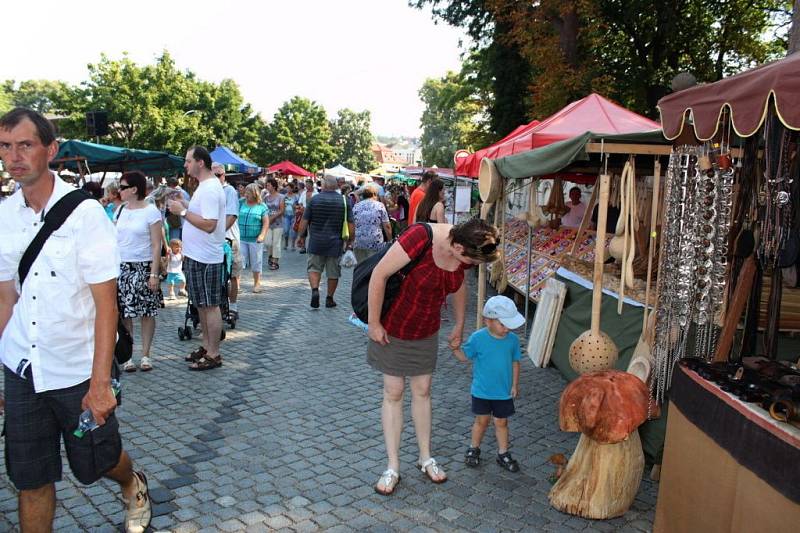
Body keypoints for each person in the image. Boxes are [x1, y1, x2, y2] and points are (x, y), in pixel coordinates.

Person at [0, 108, 151, 533]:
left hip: (77, 369)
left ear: (50, 150)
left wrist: (100, 384)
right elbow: (5, 299)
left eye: (25, 145)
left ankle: (131, 481)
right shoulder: (4, 216)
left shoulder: (86, 215)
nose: (14, 156)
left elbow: (107, 305)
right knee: (30, 480)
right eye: (6, 147)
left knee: (99, 461)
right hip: (24, 368)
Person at [366, 218, 500, 495]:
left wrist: (460, 323)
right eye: (472, 261)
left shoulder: (464, 254)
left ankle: (425, 457)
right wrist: (374, 323)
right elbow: (379, 275)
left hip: (426, 329)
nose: (472, 266)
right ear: (457, 245)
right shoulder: (421, 237)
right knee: (393, 391)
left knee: (423, 390)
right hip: (394, 326)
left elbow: (459, 285)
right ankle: (392, 466)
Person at [167, 146, 226, 371]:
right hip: (196, 255)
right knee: (201, 304)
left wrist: (181, 212)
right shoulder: (205, 186)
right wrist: (184, 206)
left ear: (200, 162)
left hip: (206, 257)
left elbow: (209, 224)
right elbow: (201, 216)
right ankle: (206, 347)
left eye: (188, 161)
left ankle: (214, 353)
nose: (185, 165)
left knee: (210, 306)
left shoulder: (211, 188)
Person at [453, 295, 524, 473]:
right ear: (488, 321)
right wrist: (455, 349)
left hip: (503, 392)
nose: (507, 328)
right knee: (481, 421)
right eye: (503, 324)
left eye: (509, 324)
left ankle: (503, 453)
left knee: (502, 423)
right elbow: (464, 357)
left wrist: (515, 384)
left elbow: (515, 362)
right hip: (482, 391)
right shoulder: (478, 338)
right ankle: (474, 448)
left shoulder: (513, 340)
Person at [114, 171, 163, 372]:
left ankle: (145, 354)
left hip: (143, 266)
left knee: (146, 312)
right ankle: (127, 355)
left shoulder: (151, 211)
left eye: (123, 187)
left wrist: (153, 273)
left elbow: (156, 244)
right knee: (126, 313)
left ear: (134, 189)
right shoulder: (120, 210)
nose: (119, 190)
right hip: (122, 267)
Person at [296, 174, 354, 309]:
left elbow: (304, 221)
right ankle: (329, 298)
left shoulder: (314, 200)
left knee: (314, 268)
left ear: (323, 185)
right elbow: (351, 224)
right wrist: (350, 241)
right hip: (335, 243)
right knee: (333, 272)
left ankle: (315, 291)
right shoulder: (344, 201)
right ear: (336, 186)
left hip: (316, 242)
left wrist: (300, 237)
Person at [212, 163, 242, 319]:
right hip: (212, 241)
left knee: (233, 275)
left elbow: (232, 216)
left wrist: (217, 232)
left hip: (229, 239)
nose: (217, 178)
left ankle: (233, 305)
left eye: (220, 175)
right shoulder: (208, 191)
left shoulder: (228, 191)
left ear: (224, 175)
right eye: (214, 175)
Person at [238, 183, 269, 292]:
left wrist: (262, 235)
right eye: (246, 191)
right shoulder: (240, 202)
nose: (246, 194)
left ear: (255, 193)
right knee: (239, 261)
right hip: (241, 238)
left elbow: (266, 223)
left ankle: (257, 283)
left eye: (249, 192)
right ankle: (236, 284)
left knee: (256, 262)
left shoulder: (262, 206)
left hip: (255, 239)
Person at [353, 184, 392, 263]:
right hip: (375, 242)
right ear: (374, 195)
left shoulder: (356, 206)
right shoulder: (380, 206)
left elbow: (353, 224)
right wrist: (390, 240)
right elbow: (387, 226)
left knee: (360, 268)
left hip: (359, 242)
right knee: (373, 267)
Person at [262, 177, 285, 270]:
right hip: (267, 223)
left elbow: (281, 210)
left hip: (278, 223)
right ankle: (270, 255)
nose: (267, 187)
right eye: (266, 185)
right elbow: (263, 209)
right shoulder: (265, 197)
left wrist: (272, 217)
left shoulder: (281, 197)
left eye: (268, 185)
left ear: (274, 186)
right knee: (267, 242)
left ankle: (275, 261)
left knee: (276, 242)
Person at [283, 183, 299, 251]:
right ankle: (286, 243)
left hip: (293, 215)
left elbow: (299, 205)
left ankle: (293, 245)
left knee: (293, 231)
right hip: (286, 215)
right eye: (287, 188)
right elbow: (282, 205)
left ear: (292, 189)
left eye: (289, 188)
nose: (288, 189)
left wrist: (295, 207)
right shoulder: (284, 196)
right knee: (286, 230)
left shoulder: (296, 196)